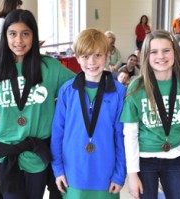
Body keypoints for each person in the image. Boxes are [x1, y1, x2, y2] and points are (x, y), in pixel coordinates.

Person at [0, 9, 75, 199]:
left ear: (34, 36)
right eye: (13, 34)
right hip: (5, 154)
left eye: (25, 34)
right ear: (5, 36)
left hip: (37, 154)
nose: (19, 40)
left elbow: (79, 88)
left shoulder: (50, 67)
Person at [120, 29, 180, 199]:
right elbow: (130, 134)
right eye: (154, 52)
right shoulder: (136, 87)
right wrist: (132, 174)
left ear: (175, 53)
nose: (161, 56)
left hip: (176, 158)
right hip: (145, 160)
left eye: (166, 50)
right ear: (146, 56)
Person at [51, 28, 126, 199]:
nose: (92, 62)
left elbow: (121, 136)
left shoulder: (119, 92)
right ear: (77, 58)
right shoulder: (67, 91)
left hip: (106, 177)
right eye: (85, 56)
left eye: (98, 55)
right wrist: (58, 170)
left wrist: (120, 173)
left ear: (107, 55)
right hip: (73, 176)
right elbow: (57, 134)